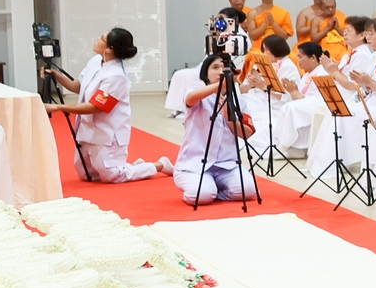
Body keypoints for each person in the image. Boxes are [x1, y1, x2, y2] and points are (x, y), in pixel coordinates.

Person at [46, 27, 157, 182]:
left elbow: (96, 107)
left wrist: (58, 107)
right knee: (87, 175)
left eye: (102, 38)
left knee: (113, 176)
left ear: (110, 49)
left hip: (108, 132)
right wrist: (57, 76)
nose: (97, 38)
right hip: (87, 129)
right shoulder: (95, 61)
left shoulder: (116, 75)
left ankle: (157, 166)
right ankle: (132, 165)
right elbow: (78, 86)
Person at [170, 52, 253, 204]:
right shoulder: (197, 93)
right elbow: (190, 99)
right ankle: (205, 188)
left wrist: (230, 118)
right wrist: (218, 86)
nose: (221, 71)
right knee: (201, 196)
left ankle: (217, 191)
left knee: (248, 189)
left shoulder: (239, 101)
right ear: (206, 74)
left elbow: (247, 133)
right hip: (194, 164)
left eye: (225, 67)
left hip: (227, 165)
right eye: (215, 67)